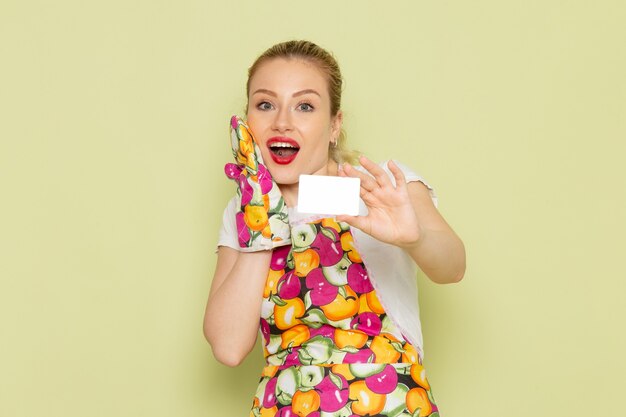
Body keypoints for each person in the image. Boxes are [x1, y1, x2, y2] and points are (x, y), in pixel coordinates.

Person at [204, 40, 465, 417]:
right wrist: (260, 209)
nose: (282, 121)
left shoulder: (380, 187)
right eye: (265, 104)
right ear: (247, 122)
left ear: (334, 125)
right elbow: (228, 347)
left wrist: (416, 239)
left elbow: (453, 267)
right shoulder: (244, 211)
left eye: (305, 106)